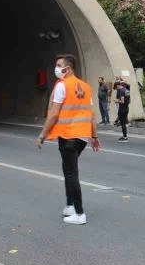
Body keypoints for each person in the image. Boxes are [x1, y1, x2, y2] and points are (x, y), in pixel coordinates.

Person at [36, 54, 100, 225]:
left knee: (71, 173)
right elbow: (91, 115)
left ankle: (79, 214)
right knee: (68, 169)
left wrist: (42, 135)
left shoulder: (62, 86)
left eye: (58, 65)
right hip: (82, 137)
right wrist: (94, 136)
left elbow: (54, 114)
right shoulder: (85, 87)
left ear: (68, 68)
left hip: (68, 135)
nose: (56, 68)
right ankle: (70, 206)